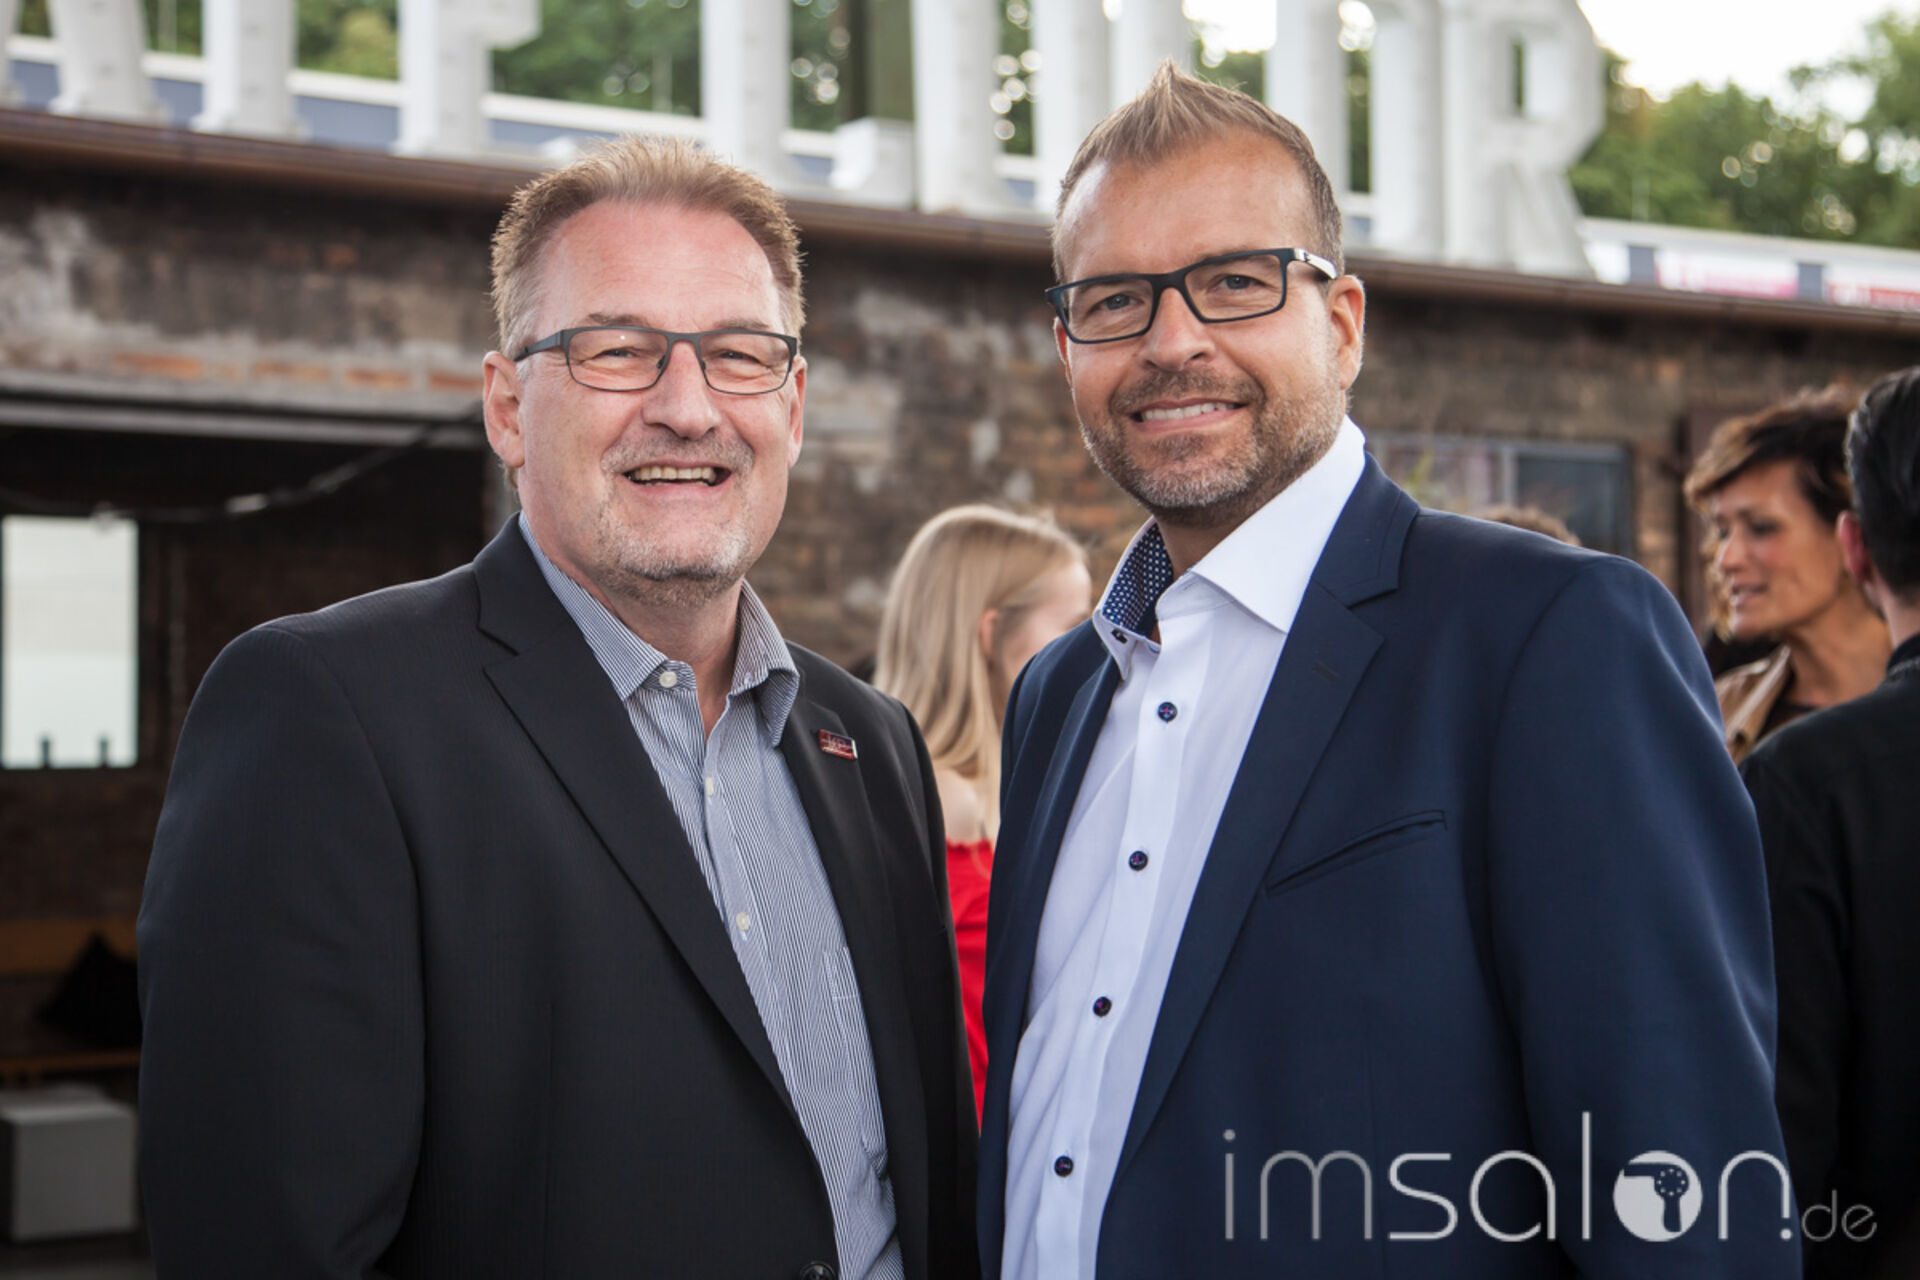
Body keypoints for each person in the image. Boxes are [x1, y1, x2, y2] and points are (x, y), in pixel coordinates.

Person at [978, 65, 1793, 1278]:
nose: (1172, 340)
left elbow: (1684, 1194)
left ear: (1344, 324)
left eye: (1236, 281)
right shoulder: (1058, 692)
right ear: (1066, 347)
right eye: (1115, 301)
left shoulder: (1549, 636)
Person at [137, 137, 977, 1280]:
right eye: (617, 350)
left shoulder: (869, 744)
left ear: (792, 404)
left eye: (738, 354)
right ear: (507, 406)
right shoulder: (326, 716)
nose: (687, 408)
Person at [1741, 365, 1920, 1280]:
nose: (1730, 556)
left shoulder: (1808, 784)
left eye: (1761, 527)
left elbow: (1780, 1146)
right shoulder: (1772, 756)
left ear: (1853, 548)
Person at [873, 504, 1093, 1122]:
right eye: (1073, 627)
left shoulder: (951, 783)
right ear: (991, 635)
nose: (1094, 648)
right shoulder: (949, 799)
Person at [1685, 386, 1891, 762]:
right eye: (1723, 532)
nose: (1725, 559)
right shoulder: (1714, 714)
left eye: (1761, 527)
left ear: (1851, 535)